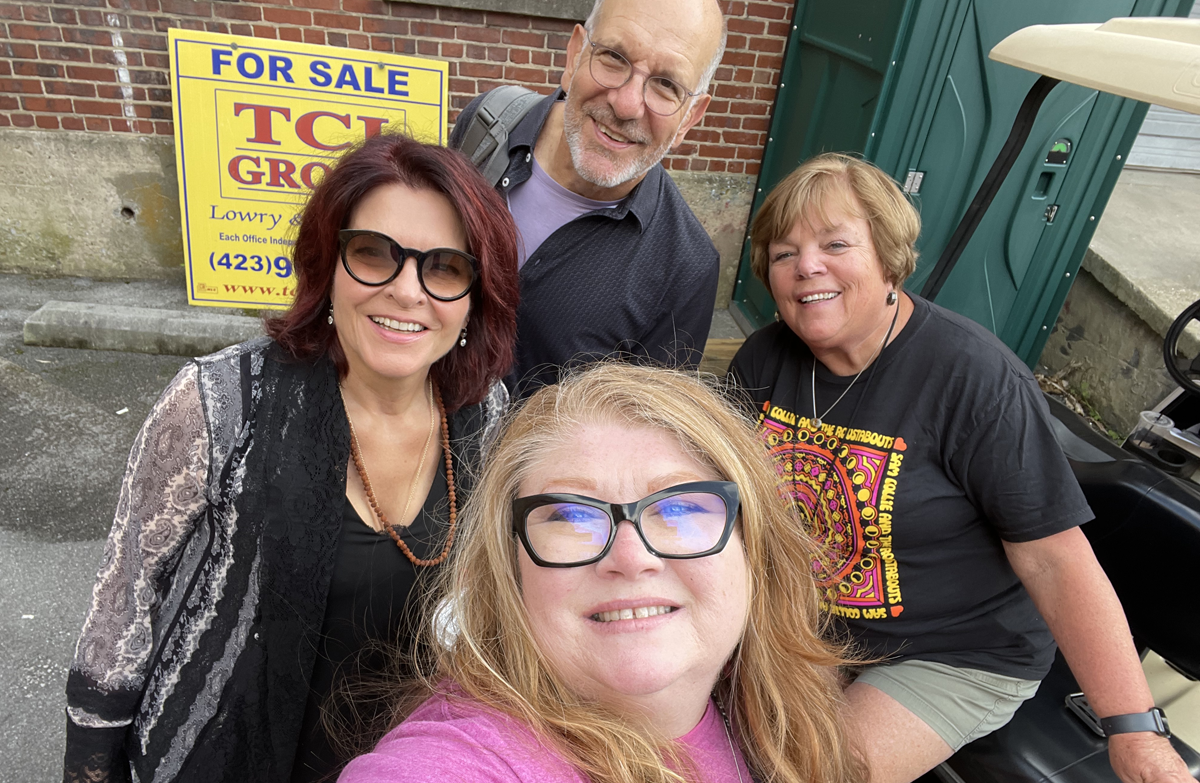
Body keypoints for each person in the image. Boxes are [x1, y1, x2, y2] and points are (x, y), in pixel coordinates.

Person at [62, 133, 520, 783]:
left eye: (444, 266)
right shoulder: (221, 399)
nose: (407, 290)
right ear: (327, 263)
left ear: (478, 295)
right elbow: (123, 606)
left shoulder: (484, 416)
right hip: (217, 757)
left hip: (393, 763)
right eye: (373, 253)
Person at [726, 152, 1193, 783]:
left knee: (814, 774)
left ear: (888, 258)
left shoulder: (974, 380)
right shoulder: (763, 359)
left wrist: (1134, 731)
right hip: (813, 623)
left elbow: (1056, 561)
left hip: (955, 649)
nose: (807, 266)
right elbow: (727, 496)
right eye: (784, 253)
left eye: (836, 243)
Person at [338, 363, 865, 783]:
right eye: (570, 516)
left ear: (755, 549)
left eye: (680, 507)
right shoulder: (462, 757)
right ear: (509, 569)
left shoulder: (775, 715)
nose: (632, 557)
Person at [449, 0, 725, 397]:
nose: (626, 104)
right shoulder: (487, 125)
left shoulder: (685, 269)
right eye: (613, 57)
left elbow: (636, 433)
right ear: (575, 53)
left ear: (691, 116)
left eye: (667, 85)